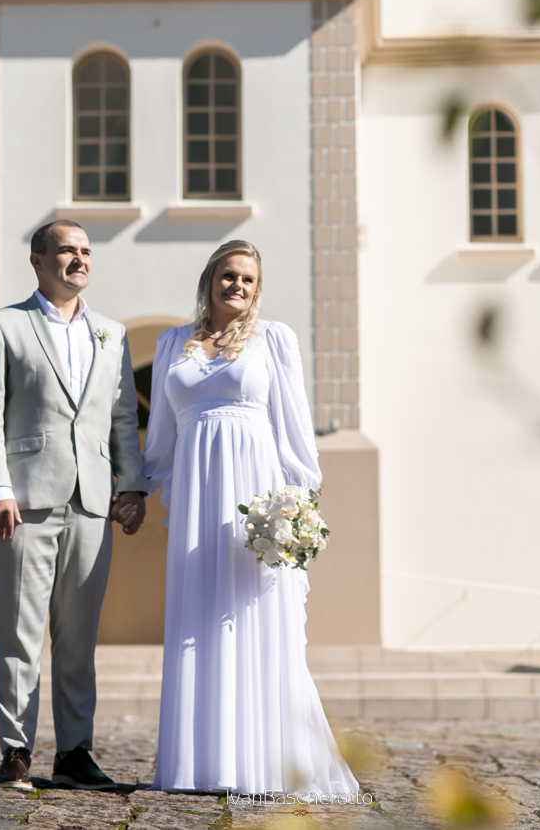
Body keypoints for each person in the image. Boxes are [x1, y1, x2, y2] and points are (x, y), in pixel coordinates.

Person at [141, 239, 359, 799]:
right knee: (199, 614)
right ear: (209, 280)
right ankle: (202, 763)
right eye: (228, 275)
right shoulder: (171, 344)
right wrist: (139, 490)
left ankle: (266, 763)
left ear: (257, 289)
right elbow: (161, 438)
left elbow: (295, 429)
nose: (237, 285)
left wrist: (299, 507)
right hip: (197, 501)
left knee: (255, 615)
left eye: (248, 279)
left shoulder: (273, 340)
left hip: (255, 497)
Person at [0, 219, 147, 791]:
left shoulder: (112, 333)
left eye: (86, 250)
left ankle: (74, 753)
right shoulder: (2, 325)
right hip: (24, 502)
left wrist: (132, 485)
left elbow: (122, 417)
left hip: (92, 502)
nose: (79, 259)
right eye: (67, 250)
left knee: (79, 637)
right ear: (38, 260)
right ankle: (16, 751)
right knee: (18, 632)